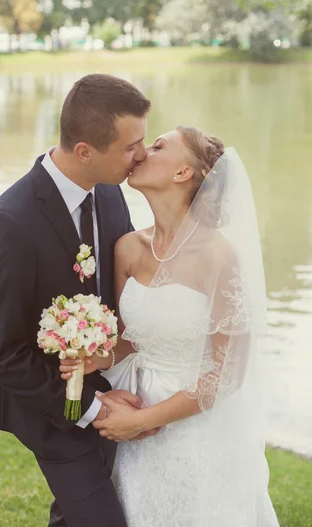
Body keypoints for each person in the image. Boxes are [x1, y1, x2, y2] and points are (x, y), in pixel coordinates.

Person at [60, 126, 280, 527]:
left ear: (183, 174)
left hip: (192, 431)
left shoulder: (219, 256)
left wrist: (144, 420)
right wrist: (93, 358)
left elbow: (227, 372)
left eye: (158, 146)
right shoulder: (127, 247)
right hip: (133, 416)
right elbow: (129, 340)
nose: (142, 152)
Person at [0, 73, 156, 527]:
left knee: (74, 517)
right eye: (131, 145)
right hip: (48, 408)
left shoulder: (111, 191)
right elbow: (1, 352)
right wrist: (92, 410)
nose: (142, 155)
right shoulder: (9, 223)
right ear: (84, 151)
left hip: (109, 388)